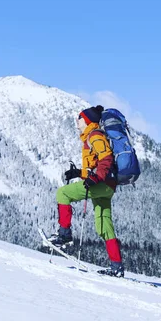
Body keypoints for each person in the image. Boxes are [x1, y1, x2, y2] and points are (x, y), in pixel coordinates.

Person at [48, 105, 124, 277]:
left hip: (101, 183)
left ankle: (64, 234)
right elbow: (96, 166)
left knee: (63, 193)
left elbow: (106, 159)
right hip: (108, 186)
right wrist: (78, 173)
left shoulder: (94, 135)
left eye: (80, 118)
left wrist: (95, 178)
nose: (77, 120)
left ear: (88, 120)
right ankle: (116, 266)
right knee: (104, 226)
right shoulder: (91, 136)